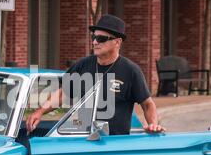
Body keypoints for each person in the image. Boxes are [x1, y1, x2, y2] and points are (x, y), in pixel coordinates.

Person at [26, 14, 165, 135]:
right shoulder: (82, 65)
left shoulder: (131, 71)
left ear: (117, 42)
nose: (94, 42)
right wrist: (39, 112)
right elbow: (63, 94)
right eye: (93, 37)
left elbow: (147, 104)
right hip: (83, 141)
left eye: (101, 38)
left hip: (115, 144)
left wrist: (153, 124)